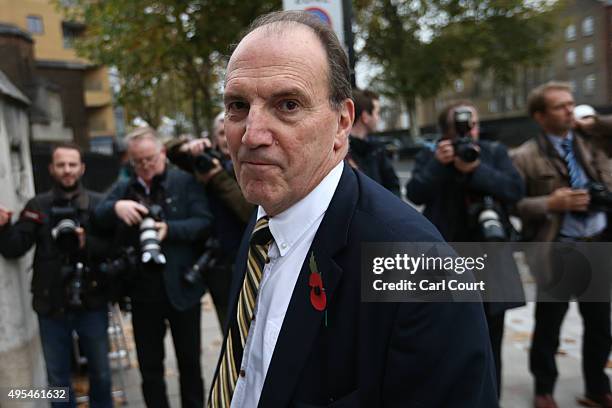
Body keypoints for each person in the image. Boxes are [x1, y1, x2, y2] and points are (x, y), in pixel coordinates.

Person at [207, 10, 497, 407]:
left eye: (288, 105)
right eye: (238, 105)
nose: (251, 134)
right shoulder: (264, 220)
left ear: (342, 122)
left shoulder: (422, 272)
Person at [405, 100, 525, 398]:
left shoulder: (494, 152)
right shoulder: (432, 155)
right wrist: (439, 165)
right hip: (447, 259)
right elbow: (415, 192)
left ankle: (490, 397)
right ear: (446, 130)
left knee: (492, 336)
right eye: (461, 125)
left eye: (472, 124)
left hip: (492, 256)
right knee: (444, 335)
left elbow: (515, 191)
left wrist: (476, 169)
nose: (469, 131)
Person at [511, 81, 612, 408]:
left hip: (597, 242)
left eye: (571, 104)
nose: (570, 110)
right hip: (557, 249)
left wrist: (594, 122)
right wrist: (551, 204)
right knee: (549, 325)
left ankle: (597, 387)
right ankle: (544, 388)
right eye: (560, 106)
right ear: (540, 116)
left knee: (600, 325)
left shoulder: (593, 140)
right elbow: (515, 205)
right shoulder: (524, 155)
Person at [95, 127, 212, 408]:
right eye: (138, 162)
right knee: (150, 368)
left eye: (150, 159)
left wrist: (168, 229)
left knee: (190, 363)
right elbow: (96, 215)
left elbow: (204, 222)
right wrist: (116, 208)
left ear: (162, 153)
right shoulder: (125, 188)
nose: (145, 166)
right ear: (130, 161)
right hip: (143, 292)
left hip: (183, 288)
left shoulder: (184, 182)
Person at [0, 143, 113, 408]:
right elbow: (15, 247)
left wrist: (87, 243)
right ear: (51, 169)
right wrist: (4, 227)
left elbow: (112, 247)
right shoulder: (38, 205)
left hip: (92, 299)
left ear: (82, 168)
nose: (67, 170)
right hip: (51, 305)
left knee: (101, 373)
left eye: (72, 164)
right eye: (61, 165)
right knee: (57, 380)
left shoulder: (98, 203)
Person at [165, 114, 254, 328]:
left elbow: (249, 212)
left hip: (248, 260)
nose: (226, 138)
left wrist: (217, 178)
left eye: (234, 131)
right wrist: (187, 146)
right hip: (217, 264)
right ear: (214, 137)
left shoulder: (253, 164)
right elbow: (169, 151)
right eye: (222, 133)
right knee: (229, 329)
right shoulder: (205, 160)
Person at [347, 89, 400, 196]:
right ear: (365, 117)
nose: (378, 118)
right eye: (377, 113)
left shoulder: (377, 149)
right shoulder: (342, 154)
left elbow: (393, 187)